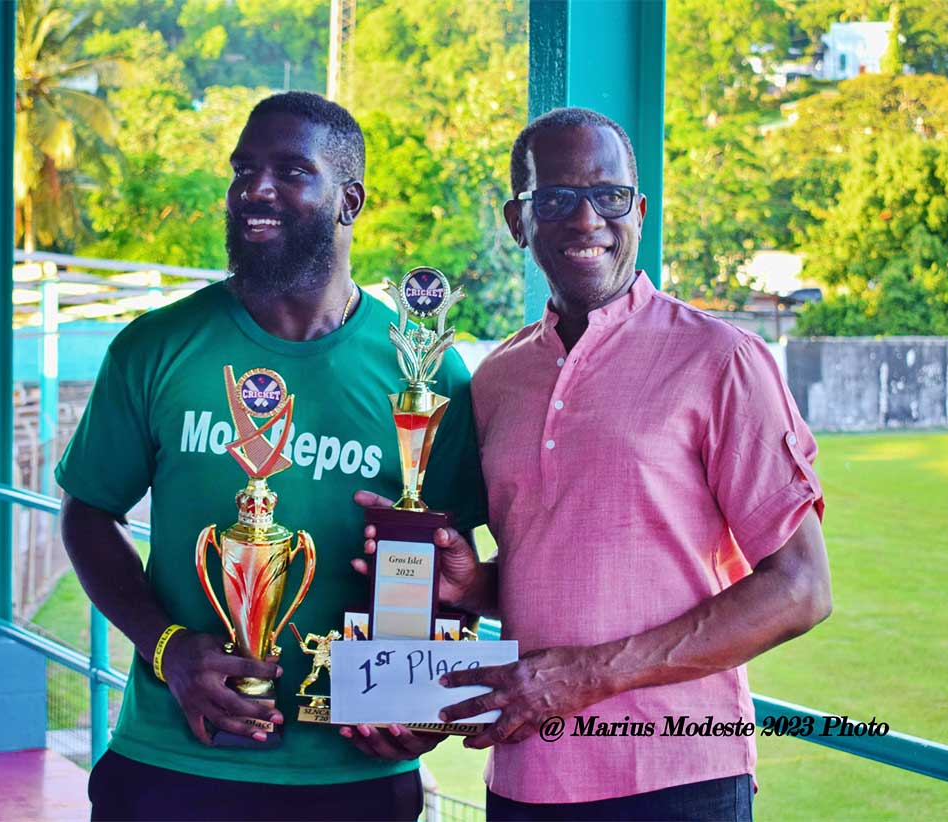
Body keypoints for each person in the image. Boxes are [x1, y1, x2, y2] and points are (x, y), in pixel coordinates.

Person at [363, 107, 832, 820]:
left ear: (638, 212)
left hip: (679, 775)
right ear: (519, 222)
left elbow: (801, 589)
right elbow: (569, 572)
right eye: (554, 199)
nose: (586, 220)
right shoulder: (497, 380)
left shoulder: (723, 360)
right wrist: (476, 584)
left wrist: (585, 678)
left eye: (608, 196)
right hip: (526, 774)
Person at [57, 91, 486, 821]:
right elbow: (88, 516)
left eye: (290, 171)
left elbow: (450, 562)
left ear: (349, 200)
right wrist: (168, 649)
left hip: (351, 779)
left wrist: (417, 701)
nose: (255, 189)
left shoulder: (426, 374)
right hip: (172, 763)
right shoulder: (156, 347)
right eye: (244, 170)